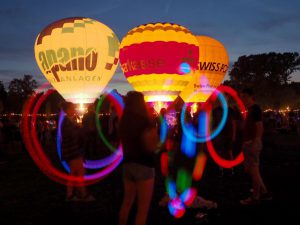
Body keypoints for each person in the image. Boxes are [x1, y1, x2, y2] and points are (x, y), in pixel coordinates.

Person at [118, 91, 158, 225]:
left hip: (127, 165)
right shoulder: (145, 121)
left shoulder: (123, 120)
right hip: (144, 166)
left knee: (127, 202)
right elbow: (151, 147)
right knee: (142, 209)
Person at [239, 88, 271, 205]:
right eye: (241, 96)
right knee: (251, 170)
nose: (243, 99)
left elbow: (260, 126)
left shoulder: (255, 109)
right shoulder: (250, 110)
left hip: (252, 144)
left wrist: (256, 142)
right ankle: (264, 192)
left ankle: (256, 196)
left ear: (251, 96)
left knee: (254, 170)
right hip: (248, 143)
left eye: (245, 96)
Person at [60, 102, 95, 202]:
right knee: (80, 173)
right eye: (72, 108)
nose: (74, 110)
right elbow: (70, 135)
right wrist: (80, 129)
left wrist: (79, 128)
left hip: (73, 151)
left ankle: (70, 195)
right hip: (72, 151)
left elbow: (76, 135)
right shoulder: (66, 122)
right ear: (67, 110)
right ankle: (84, 195)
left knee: (73, 174)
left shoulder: (71, 120)